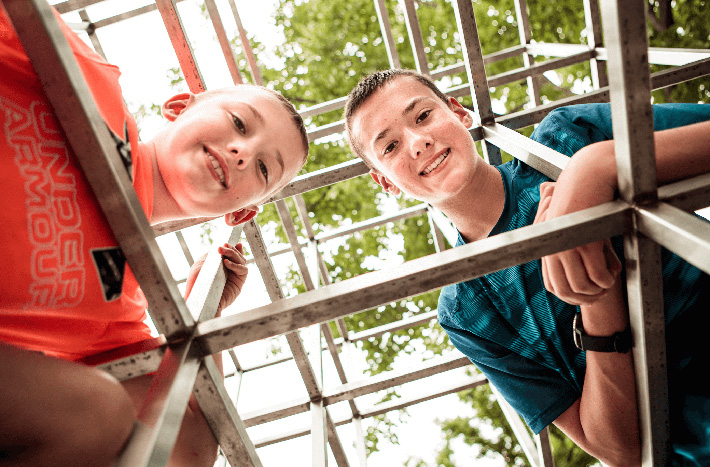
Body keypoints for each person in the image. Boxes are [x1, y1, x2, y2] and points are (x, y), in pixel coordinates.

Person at [344, 68, 710, 466]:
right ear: (385, 182)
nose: (418, 143)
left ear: (459, 112)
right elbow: (618, 450)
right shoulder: (467, 311)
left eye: (422, 116)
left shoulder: (568, 136)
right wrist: (596, 299)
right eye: (391, 147)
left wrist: (598, 165)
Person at [0, 4, 308, 467]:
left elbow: (182, 453)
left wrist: (197, 315)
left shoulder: (117, 311)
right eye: (239, 123)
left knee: (98, 414)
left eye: (264, 168)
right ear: (181, 105)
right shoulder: (89, 79)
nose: (242, 151)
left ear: (242, 213)